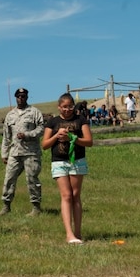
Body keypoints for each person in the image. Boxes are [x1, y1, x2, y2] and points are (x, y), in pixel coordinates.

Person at [42, 92, 93, 244]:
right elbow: (44, 145)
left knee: (76, 195)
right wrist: (57, 135)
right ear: (59, 107)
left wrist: (73, 138)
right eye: (64, 107)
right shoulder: (53, 122)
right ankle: (69, 234)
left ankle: (78, 232)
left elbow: (89, 141)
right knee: (66, 195)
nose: (67, 109)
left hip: (77, 161)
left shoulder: (80, 120)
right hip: (59, 162)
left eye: (70, 106)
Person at [0, 88, 44, 217]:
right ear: (16, 97)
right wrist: (4, 153)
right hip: (15, 152)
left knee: (32, 179)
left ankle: (36, 206)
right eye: (18, 96)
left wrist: (28, 134)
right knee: (9, 179)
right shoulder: (10, 115)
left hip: (31, 152)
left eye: (23, 96)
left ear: (27, 97)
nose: (21, 98)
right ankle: (6, 206)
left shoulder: (34, 112)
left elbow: (41, 129)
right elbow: (6, 136)